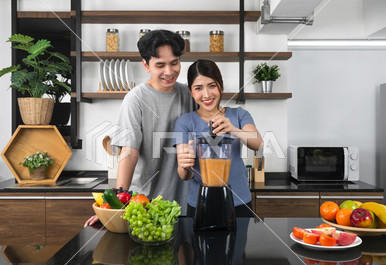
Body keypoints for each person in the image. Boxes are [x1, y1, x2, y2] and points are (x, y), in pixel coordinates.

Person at [85, 30, 195, 226]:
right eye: (160, 65)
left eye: (174, 63)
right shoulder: (135, 99)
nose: (169, 71)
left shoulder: (188, 94)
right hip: (144, 204)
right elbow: (129, 153)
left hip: (183, 204)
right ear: (146, 65)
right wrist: (116, 206)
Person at [174, 59, 263, 217]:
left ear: (220, 85)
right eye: (198, 88)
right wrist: (184, 165)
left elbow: (258, 144)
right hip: (200, 204)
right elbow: (184, 175)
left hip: (239, 202)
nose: (207, 94)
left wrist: (234, 130)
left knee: (238, 242)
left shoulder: (239, 115)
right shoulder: (185, 122)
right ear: (190, 91)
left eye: (212, 86)